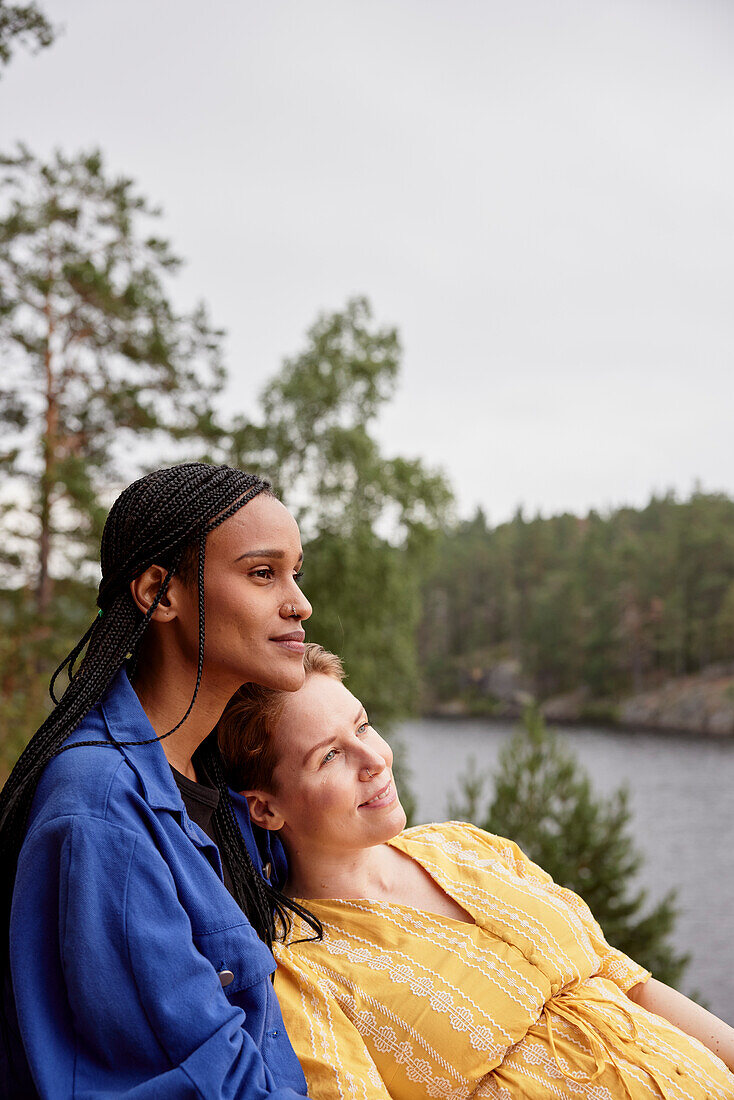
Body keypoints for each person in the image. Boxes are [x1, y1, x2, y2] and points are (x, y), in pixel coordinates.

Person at [218, 643, 734, 1100]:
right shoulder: (298, 971)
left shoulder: (464, 845)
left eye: (363, 726)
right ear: (264, 809)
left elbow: (627, 981)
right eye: (329, 755)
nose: (373, 757)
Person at [0, 463, 319, 1099]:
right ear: (160, 592)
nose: (300, 604)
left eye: (295, 574)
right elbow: (207, 1083)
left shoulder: (216, 779)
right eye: (263, 573)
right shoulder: (104, 807)